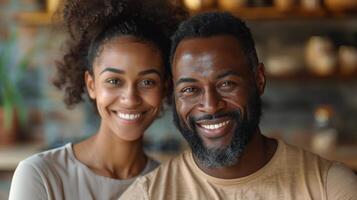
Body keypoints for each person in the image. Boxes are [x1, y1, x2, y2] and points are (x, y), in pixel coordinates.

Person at [120, 12, 357, 200]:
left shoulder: (330, 187)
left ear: (259, 80)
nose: (210, 106)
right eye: (190, 90)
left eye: (226, 84)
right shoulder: (147, 195)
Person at [9, 0, 186, 199]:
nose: (130, 98)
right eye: (114, 81)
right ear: (91, 84)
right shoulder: (41, 175)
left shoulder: (170, 188)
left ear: (165, 87)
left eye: (147, 82)